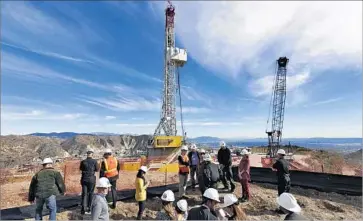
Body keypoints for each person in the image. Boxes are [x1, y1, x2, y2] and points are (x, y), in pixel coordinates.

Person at [80, 147, 100, 214]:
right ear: (92, 154)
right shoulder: (95, 161)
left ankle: (83, 209)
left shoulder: (83, 161)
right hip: (91, 179)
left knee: (84, 194)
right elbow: (97, 169)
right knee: (91, 193)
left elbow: (81, 169)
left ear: (87, 154)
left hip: (84, 179)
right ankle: (89, 208)